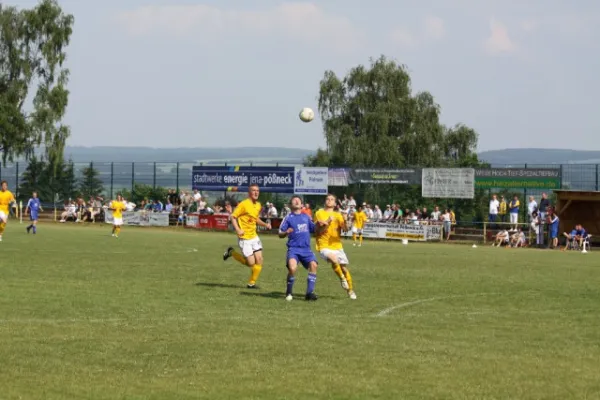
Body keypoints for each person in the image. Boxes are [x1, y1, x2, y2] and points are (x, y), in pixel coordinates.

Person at [223, 184, 271, 289]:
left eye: (257, 190)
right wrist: (238, 230)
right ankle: (231, 252)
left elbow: (255, 218)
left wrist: (265, 224)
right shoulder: (243, 204)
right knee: (250, 263)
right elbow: (233, 217)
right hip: (244, 238)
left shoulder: (258, 205)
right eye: (253, 190)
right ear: (249, 192)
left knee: (259, 259)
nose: (256, 192)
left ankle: (251, 283)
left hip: (254, 236)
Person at [314, 194, 357, 300]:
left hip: (337, 245)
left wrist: (346, 220)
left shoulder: (338, 215)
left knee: (344, 269)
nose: (329, 201)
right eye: (327, 199)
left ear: (335, 203)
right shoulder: (319, 213)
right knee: (334, 259)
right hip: (323, 244)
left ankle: (350, 290)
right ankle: (342, 279)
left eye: (332, 199)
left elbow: (346, 229)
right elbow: (318, 231)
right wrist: (328, 222)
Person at [278, 196, 318, 301]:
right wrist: (286, 232)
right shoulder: (288, 218)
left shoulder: (307, 217)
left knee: (313, 265)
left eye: (298, 200)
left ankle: (309, 293)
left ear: (301, 205)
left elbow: (315, 229)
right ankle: (289, 291)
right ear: (291, 205)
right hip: (293, 249)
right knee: (292, 268)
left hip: (306, 249)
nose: (296, 201)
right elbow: (280, 233)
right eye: (294, 200)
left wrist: (323, 223)